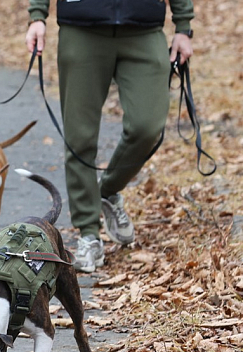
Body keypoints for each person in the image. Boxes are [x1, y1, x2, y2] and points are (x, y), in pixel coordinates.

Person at [25, 0, 194, 273]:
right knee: (80, 139)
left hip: (144, 29)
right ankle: (88, 233)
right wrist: (37, 16)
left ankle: (107, 190)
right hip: (81, 28)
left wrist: (183, 25)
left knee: (146, 126)